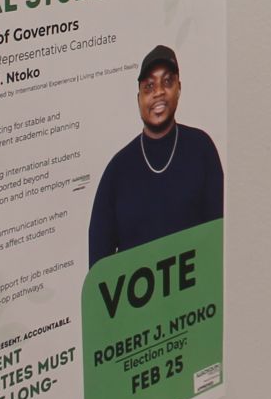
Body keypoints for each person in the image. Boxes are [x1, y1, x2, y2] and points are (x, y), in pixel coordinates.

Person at [88, 45, 223, 266]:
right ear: (138, 97)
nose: (158, 92)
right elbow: (98, 268)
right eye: (149, 86)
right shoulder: (118, 170)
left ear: (179, 88)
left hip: (195, 297)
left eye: (167, 82)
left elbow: (219, 239)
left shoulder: (202, 149)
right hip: (137, 299)